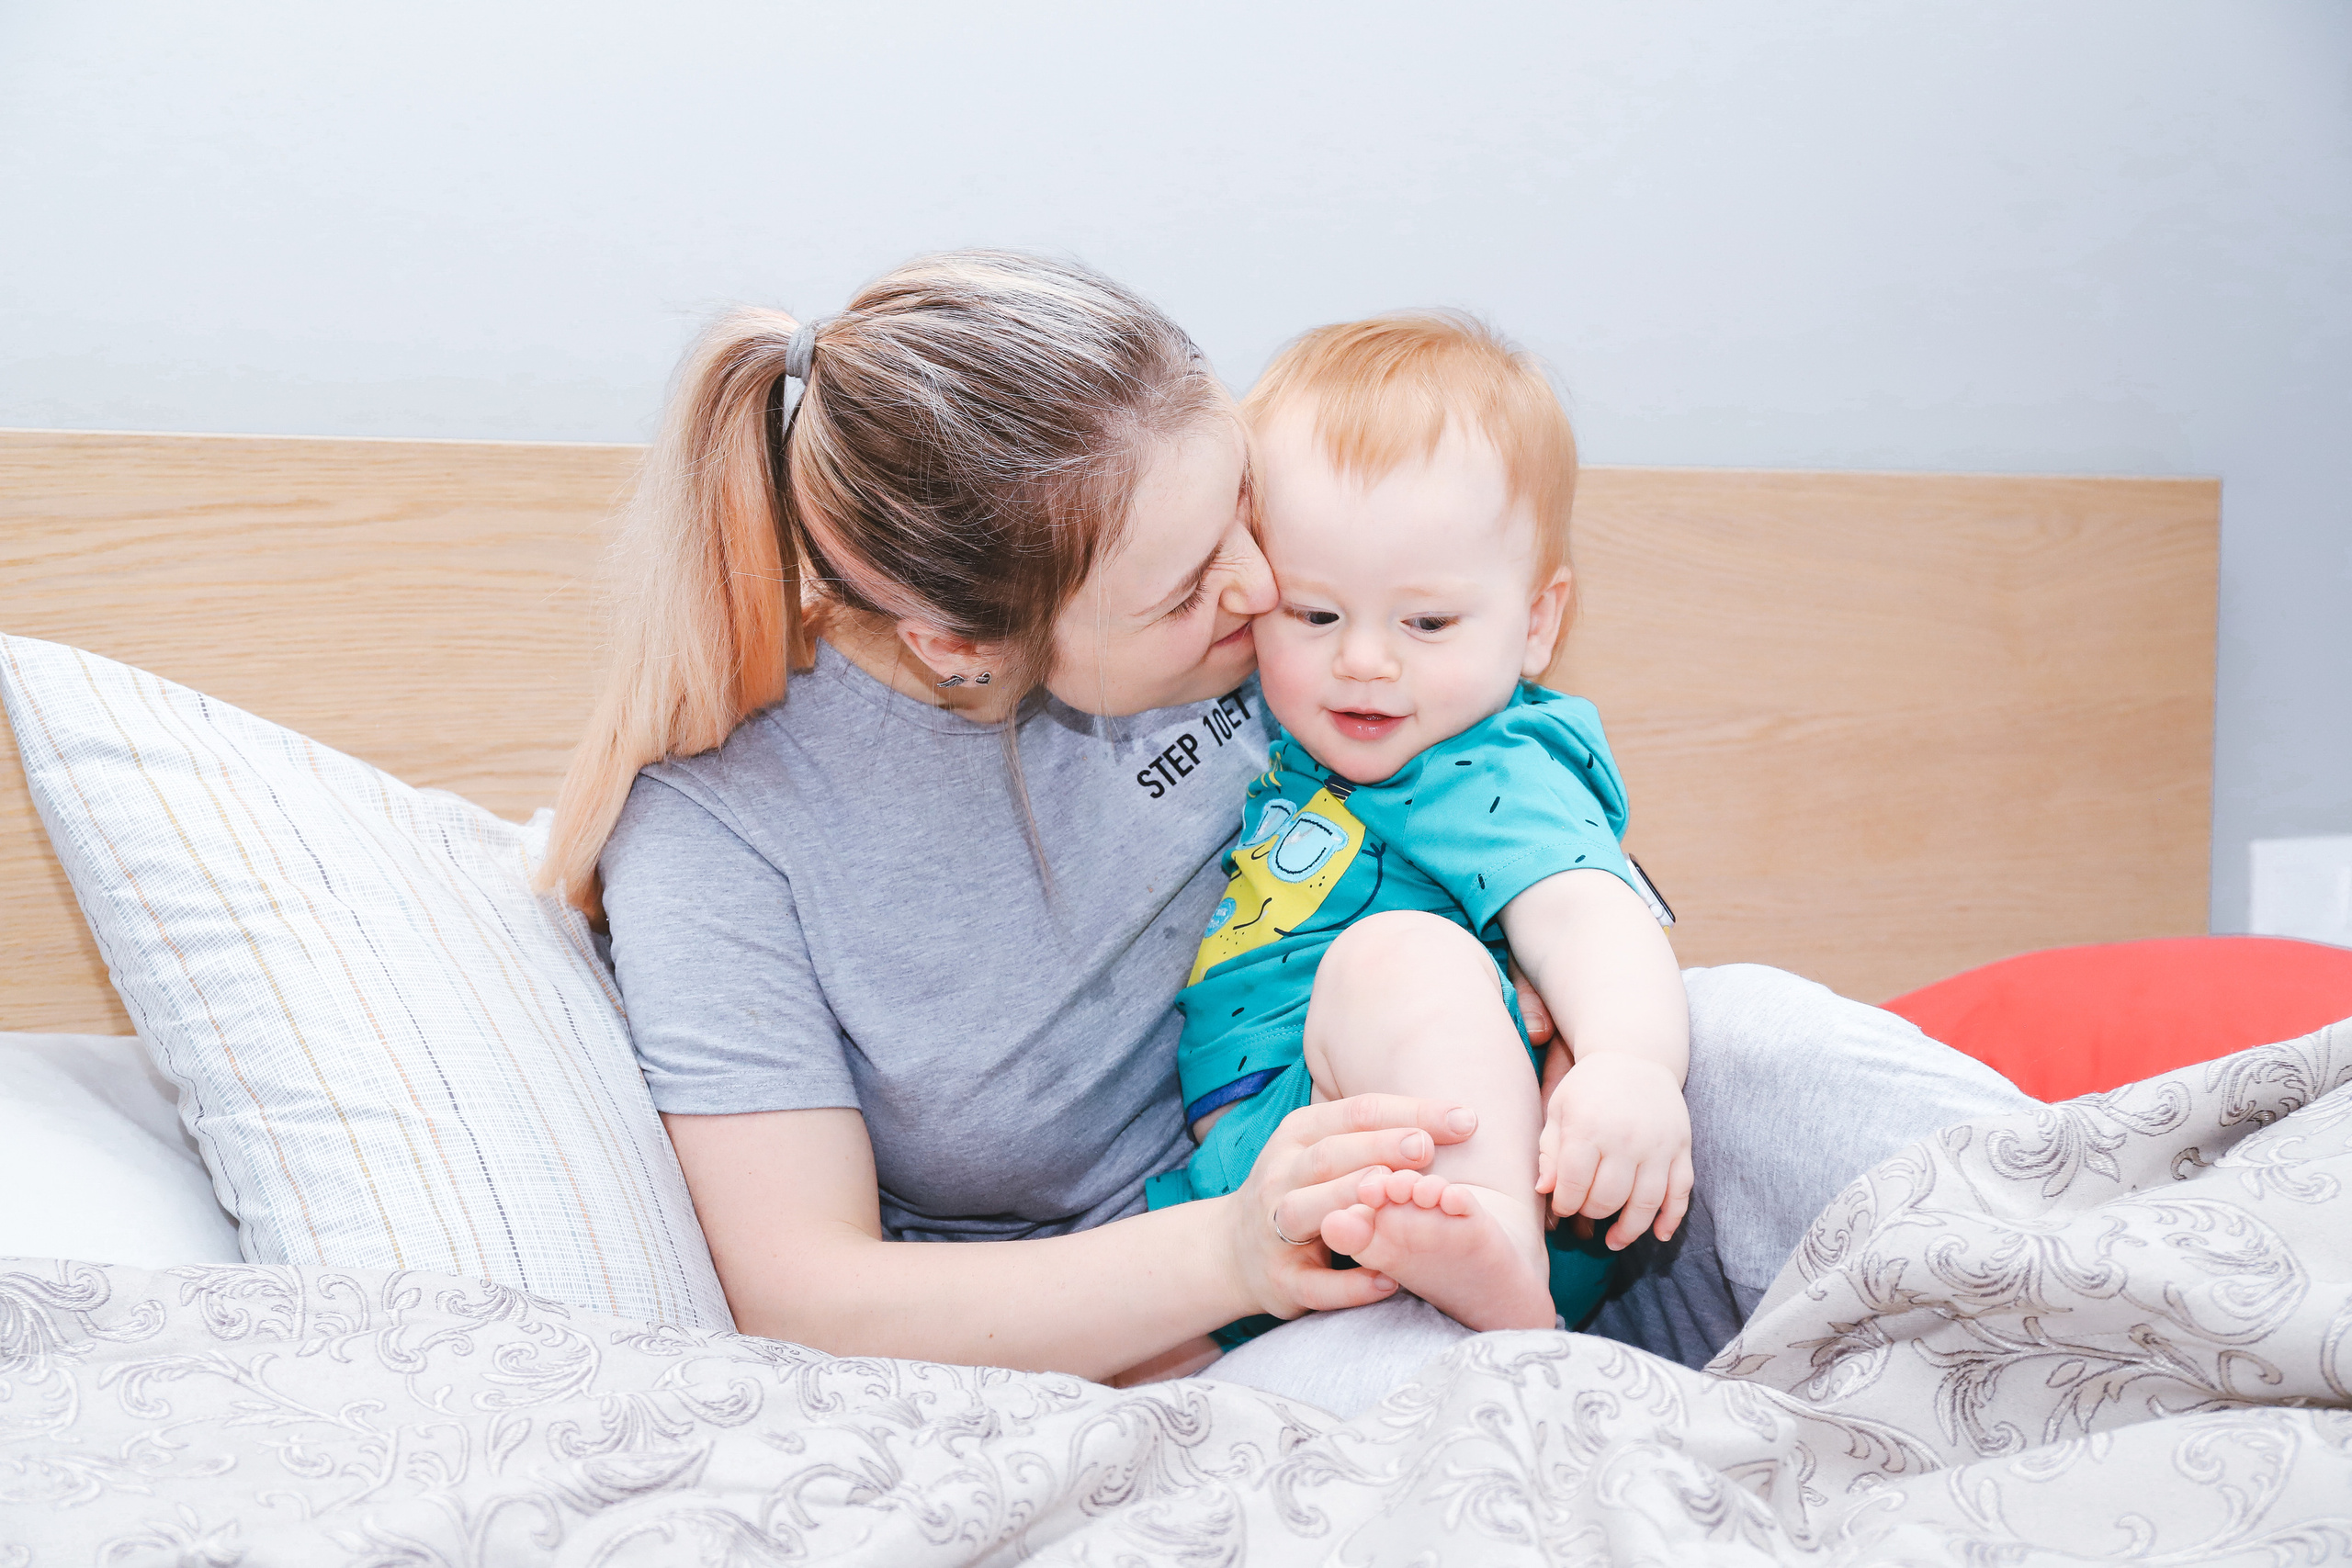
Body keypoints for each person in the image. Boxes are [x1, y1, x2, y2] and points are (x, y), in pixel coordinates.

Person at [547, 249, 2031, 1412]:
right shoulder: (722, 837)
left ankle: (2209, 1267)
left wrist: (1592, 1045)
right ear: (956, 643)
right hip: (1209, 1324)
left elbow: (1525, 812)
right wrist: (1239, 1248)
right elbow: (811, 1298)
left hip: (1506, 1159)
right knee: (1436, 1400)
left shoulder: (1301, 637)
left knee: (1773, 1039)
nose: (1271, 597)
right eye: (1196, 582)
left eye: (1244, 513)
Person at [1151, 312, 1688, 1344]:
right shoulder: (1285, 742)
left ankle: (1493, 1266)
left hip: (1460, 1170)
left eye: (1426, 623)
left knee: (1396, 954)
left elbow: (1589, 914)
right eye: (1312, 615)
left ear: (1537, 622)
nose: (1362, 660)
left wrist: (1627, 1064)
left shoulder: (1488, 766)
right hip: (1274, 1161)